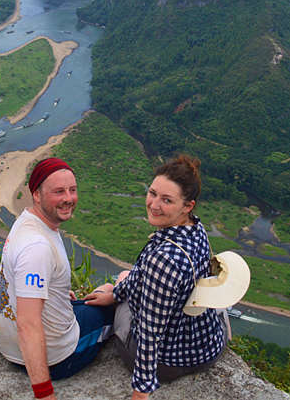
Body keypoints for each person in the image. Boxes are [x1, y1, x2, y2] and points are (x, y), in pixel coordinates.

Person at [85, 155, 227, 400]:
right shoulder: (196, 228)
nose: (154, 204)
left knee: (122, 280)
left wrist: (141, 392)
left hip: (169, 362)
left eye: (167, 200)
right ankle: (118, 288)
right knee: (127, 278)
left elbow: (150, 334)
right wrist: (120, 290)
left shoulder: (162, 260)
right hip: (209, 346)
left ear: (187, 206)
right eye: (152, 193)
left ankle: (115, 291)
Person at [0, 157, 114, 400]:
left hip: (9, 346)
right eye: (58, 192)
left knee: (104, 290)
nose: (69, 198)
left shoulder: (27, 221)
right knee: (118, 302)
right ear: (36, 195)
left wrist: (53, 293)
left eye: (72, 190)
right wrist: (44, 393)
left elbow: (23, 280)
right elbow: (28, 325)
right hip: (58, 357)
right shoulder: (37, 247)